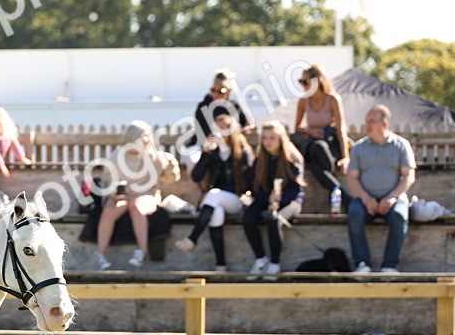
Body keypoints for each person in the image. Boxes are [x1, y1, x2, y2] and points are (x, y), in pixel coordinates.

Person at [90, 120, 180, 270]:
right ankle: (100, 254)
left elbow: (170, 179)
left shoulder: (156, 157)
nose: (146, 140)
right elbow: (108, 180)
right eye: (142, 136)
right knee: (109, 210)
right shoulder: (116, 156)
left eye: (147, 136)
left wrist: (171, 165)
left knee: (137, 207)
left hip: (146, 195)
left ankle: (142, 251)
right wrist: (115, 194)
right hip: (121, 196)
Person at [175, 112, 253, 272]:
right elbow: (196, 177)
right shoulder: (213, 153)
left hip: (237, 199)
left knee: (214, 195)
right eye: (216, 131)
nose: (219, 135)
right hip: (215, 200)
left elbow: (250, 180)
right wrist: (205, 153)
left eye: (223, 130)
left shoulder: (241, 152)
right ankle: (221, 265)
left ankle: (192, 239)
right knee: (215, 212)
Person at [345, 105, 416, 275]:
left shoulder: (401, 145)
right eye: (366, 121)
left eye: (371, 121)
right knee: (354, 214)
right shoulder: (358, 148)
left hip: (393, 198)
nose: (367, 125)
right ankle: (362, 265)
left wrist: (391, 197)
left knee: (400, 216)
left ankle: (389, 266)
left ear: (384, 123)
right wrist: (366, 198)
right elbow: (352, 178)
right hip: (365, 199)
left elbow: (409, 176)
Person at [242, 121, 305, 276]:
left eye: (272, 138)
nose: (268, 142)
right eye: (265, 138)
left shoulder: (292, 159)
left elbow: (296, 189)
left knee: (274, 220)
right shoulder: (260, 159)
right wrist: (268, 198)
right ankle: (261, 259)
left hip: (291, 201)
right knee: (248, 217)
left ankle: (274, 264)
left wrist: (279, 200)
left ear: (280, 139)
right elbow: (254, 187)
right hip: (266, 199)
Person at [292, 63, 349, 190]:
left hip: (329, 146)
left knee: (315, 166)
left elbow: (341, 130)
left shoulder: (333, 99)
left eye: (305, 82)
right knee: (318, 146)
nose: (303, 86)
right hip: (312, 145)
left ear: (317, 81)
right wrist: (310, 131)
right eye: (301, 82)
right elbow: (297, 127)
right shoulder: (303, 101)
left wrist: (345, 157)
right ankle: (341, 196)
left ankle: (338, 193)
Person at [190, 69, 254, 149]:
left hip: (228, 147)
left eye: (221, 91)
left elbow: (245, 123)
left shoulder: (233, 106)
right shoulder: (203, 106)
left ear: (229, 91)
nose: (216, 94)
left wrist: (247, 127)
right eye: (213, 90)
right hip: (205, 147)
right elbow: (203, 131)